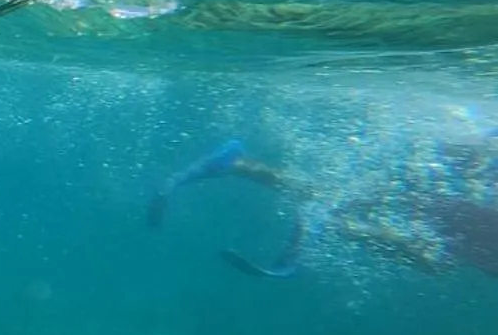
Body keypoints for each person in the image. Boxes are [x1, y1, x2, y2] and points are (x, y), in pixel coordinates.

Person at [148, 136, 498, 279]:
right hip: (466, 185)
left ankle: (239, 165)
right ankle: (336, 222)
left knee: (433, 254)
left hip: (469, 190)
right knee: (431, 250)